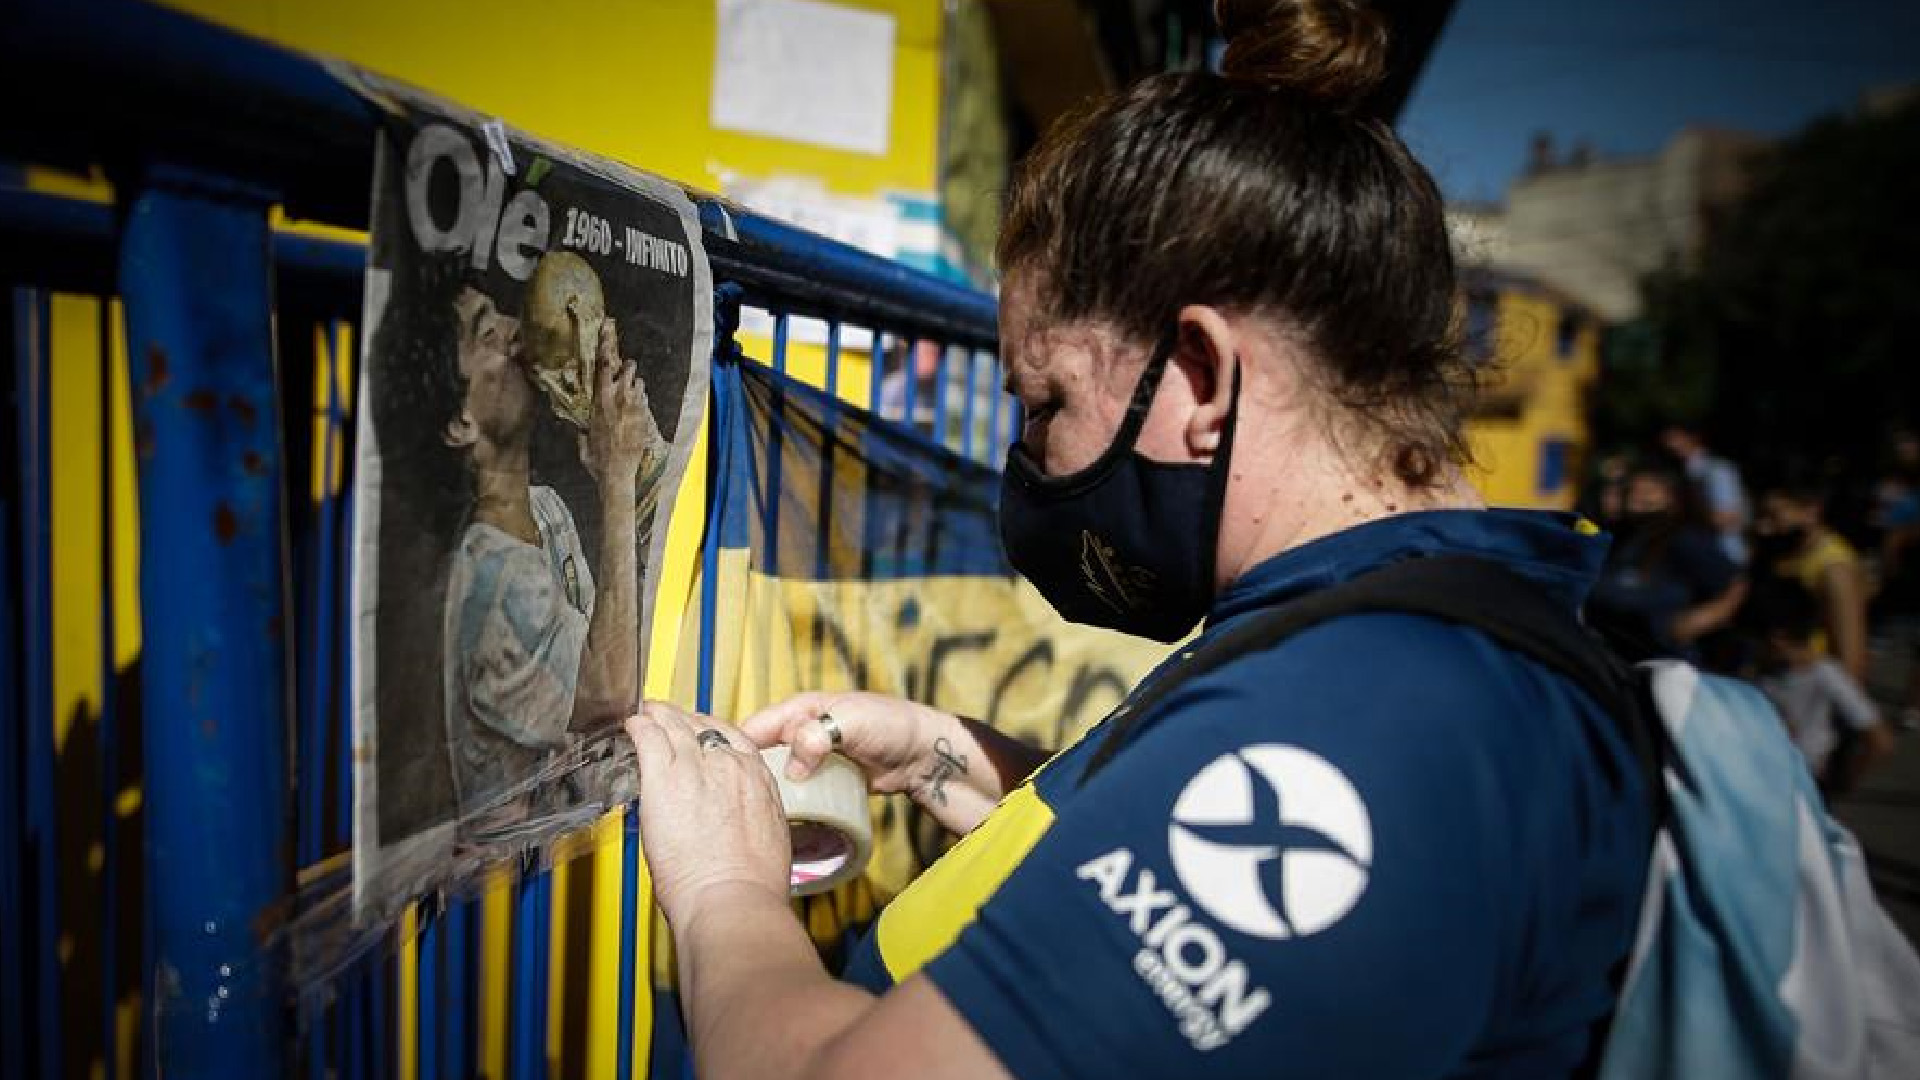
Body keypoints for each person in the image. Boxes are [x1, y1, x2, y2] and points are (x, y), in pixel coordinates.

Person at [622, 2, 1654, 1077]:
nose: (1032, 460)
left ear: (1201, 381)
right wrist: (946, 757)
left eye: (1046, 404)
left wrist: (721, 887)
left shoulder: (1357, 729)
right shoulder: (1385, 630)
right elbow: (1138, 873)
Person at [430, 272, 659, 829]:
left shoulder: (546, 507)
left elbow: (614, 625)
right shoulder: (486, 574)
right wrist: (617, 480)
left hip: (564, 848)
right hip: (509, 893)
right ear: (462, 422)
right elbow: (606, 696)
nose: (516, 333)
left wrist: (623, 438)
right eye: (487, 336)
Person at [1586, 462, 1746, 664]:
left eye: (1648, 491)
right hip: (1615, 652)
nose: (1635, 497)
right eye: (1630, 491)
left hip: (1665, 662)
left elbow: (1736, 582)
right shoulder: (1626, 537)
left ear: (1673, 497)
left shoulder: (1685, 539)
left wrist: (1702, 618)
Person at [1753, 580, 1893, 796]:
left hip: (1804, 784)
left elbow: (1879, 739)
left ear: (1777, 639)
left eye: (1755, 642)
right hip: (1765, 778)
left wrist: (1845, 784)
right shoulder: (1766, 674)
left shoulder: (1827, 675)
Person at [1755, 479, 1870, 684]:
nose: (1764, 528)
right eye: (1762, 516)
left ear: (1810, 512)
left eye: (1775, 517)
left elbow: (1851, 657)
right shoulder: (1785, 552)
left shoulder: (1834, 569)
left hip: (1810, 690)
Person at [1660, 422, 1750, 566]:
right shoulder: (1681, 473)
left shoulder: (1717, 471)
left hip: (1723, 557)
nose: (1669, 444)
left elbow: (1730, 518)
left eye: (1675, 438)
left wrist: (1684, 514)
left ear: (1693, 438)